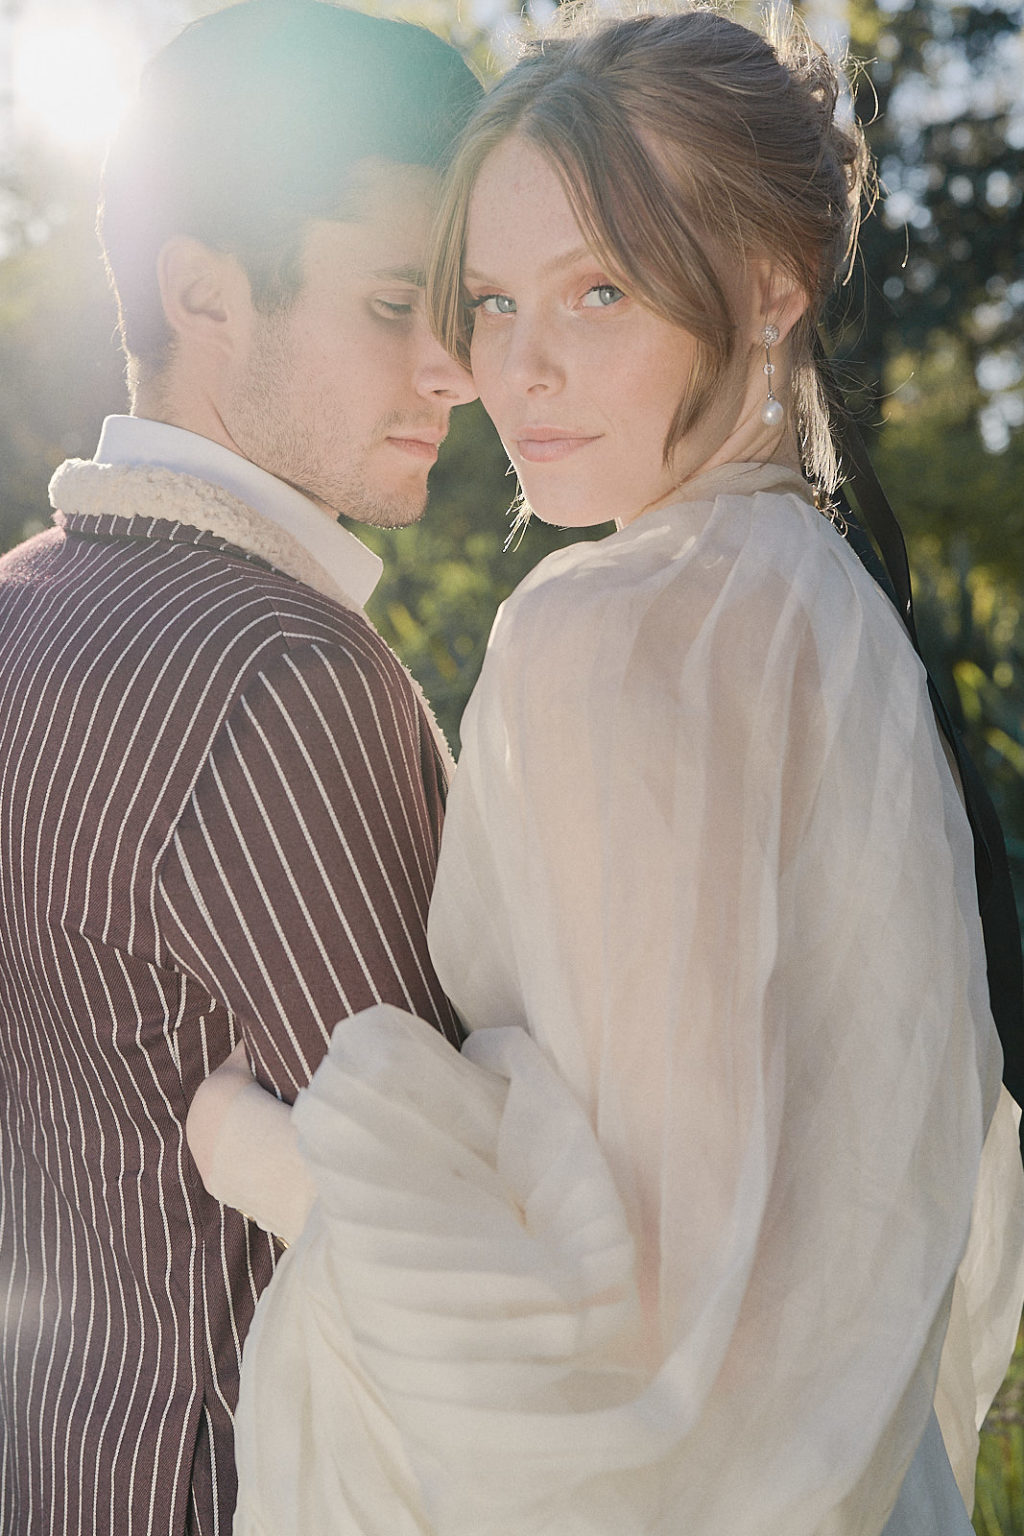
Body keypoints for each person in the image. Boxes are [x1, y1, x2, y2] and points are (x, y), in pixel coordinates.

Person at [188, 8, 1024, 1534]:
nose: (521, 370)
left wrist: (266, 1154)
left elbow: (621, 1335)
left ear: (769, 291)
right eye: (494, 299)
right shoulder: (823, 608)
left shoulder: (624, 630)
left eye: (600, 291)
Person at [0, 4, 480, 1532]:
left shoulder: (17, 599)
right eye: (398, 300)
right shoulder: (286, 677)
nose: (456, 369)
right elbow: (449, 1240)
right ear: (203, 290)